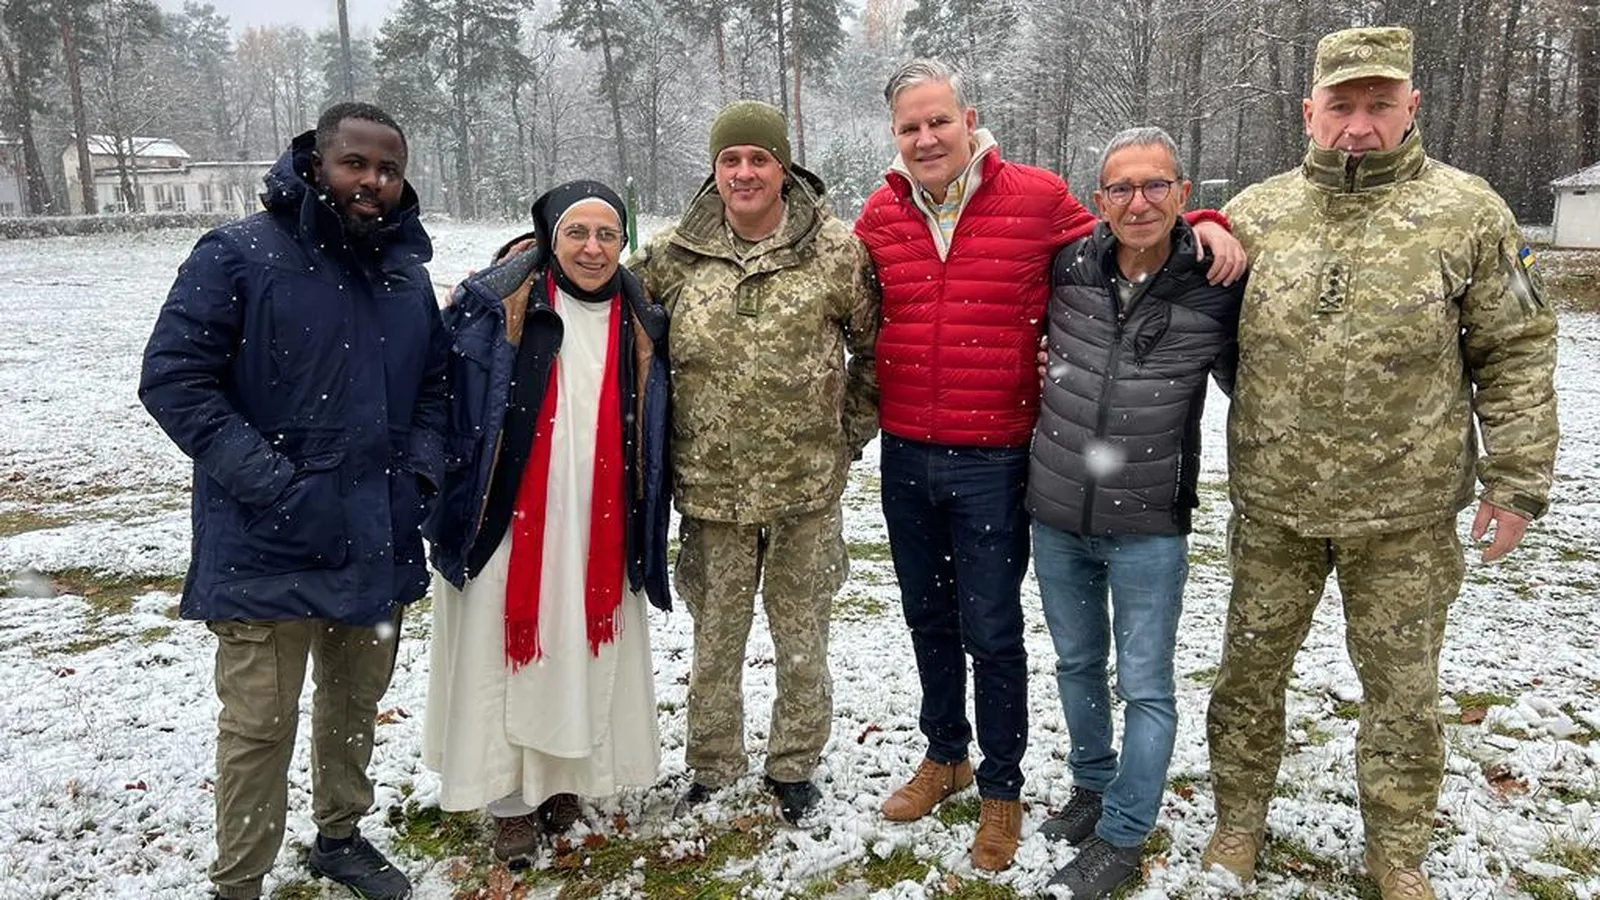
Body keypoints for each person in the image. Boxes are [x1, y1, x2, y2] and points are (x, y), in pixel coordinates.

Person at [852, 57, 1245, 872]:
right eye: (910, 127)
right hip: (907, 450)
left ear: (969, 119)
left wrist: (1206, 218)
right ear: (894, 134)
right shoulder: (881, 213)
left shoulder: (1034, 199)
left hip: (994, 456)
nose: (927, 138)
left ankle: (1001, 788)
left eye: (939, 120)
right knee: (927, 617)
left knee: (993, 630)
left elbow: (1134, 228)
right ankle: (946, 754)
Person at [1203, 27, 1558, 900]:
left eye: (1379, 104)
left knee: (1402, 694)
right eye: (1341, 105)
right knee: (1247, 678)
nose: (1358, 125)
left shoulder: (1469, 213)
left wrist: (1516, 481)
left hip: (1406, 514)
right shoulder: (1257, 214)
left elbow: (1515, 350)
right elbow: (1200, 332)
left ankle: (1397, 854)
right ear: (1309, 112)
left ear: (1411, 107)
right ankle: (1237, 823)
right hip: (1276, 507)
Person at [139, 102, 445, 900]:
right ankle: (240, 880)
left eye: (388, 169)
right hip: (264, 542)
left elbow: (436, 390)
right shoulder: (239, 255)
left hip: (375, 534)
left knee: (353, 702)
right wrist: (275, 486)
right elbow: (174, 379)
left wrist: (417, 475)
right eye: (356, 163)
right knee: (259, 723)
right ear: (317, 163)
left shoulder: (405, 276)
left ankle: (340, 836)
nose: (372, 181)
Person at [628, 99, 879, 826]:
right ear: (715, 169)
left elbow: (874, 351)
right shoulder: (672, 256)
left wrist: (846, 435)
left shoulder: (835, 252)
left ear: (782, 167)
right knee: (715, 638)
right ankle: (713, 764)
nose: (744, 172)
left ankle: (793, 763)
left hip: (807, 488)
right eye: (730, 159)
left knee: (802, 638)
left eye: (759, 159)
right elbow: (605, 310)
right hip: (711, 489)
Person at [421, 180, 671, 860]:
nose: (592, 249)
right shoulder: (497, 305)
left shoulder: (641, 316)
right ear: (548, 238)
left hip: (600, 516)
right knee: (501, 651)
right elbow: (446, 395)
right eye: (576, 234)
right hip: (506, 512)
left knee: (579, 648)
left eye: (607, 235)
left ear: (624, 243)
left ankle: (563, 779)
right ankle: (508, 799)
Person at [1028, 126, 1244, 899]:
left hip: (1150, 523)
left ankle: (1122, 834)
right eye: (1121, 187)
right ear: (1099, 200)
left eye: (1156, 185)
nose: (1139, 202)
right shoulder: (1067, 267)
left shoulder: (1217, 282)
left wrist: (1216, 226)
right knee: (1077, 664)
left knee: (1146, 686)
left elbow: (1249, 383)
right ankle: (1092, 786)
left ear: (1183, 193)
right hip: (1058, 511)